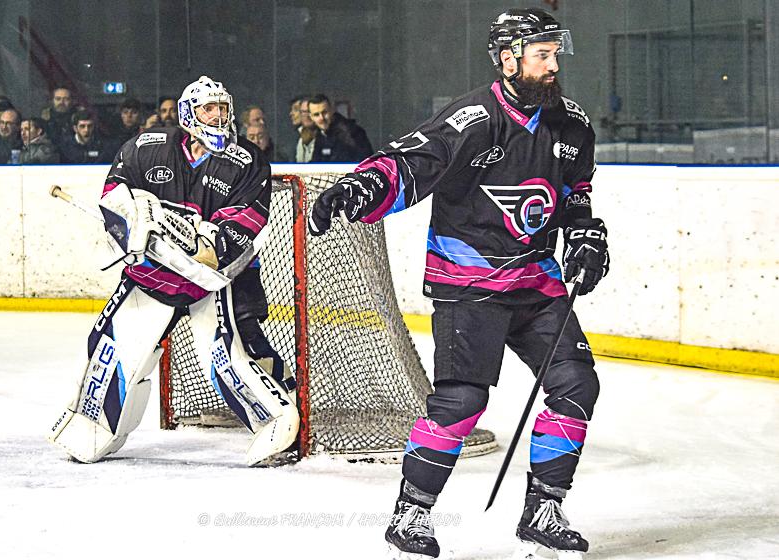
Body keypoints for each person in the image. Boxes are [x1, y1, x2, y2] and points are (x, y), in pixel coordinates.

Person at [308, 8, 609, 559]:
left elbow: (575, 193)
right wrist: (360, 188)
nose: (553, 65)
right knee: (462, 401)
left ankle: (544, 509)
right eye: (541, 55)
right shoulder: (473, 120)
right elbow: (407, 164)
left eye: (555, 54)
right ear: (508, 60)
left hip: (536, 281)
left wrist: (585, 234)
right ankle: (411, 515)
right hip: (469, 282)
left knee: (576, 384)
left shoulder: (571, 123)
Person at [48, 76, 297, 468]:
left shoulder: (247, 161)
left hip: (213, 284)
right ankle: (94, 427)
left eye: (222, 108)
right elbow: (114, 196)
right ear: (188, 114)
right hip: (150, 277)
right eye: (208, 109)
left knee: (228, 359)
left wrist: (201, 244)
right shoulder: (148, 148)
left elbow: (241, 227)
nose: (218, 116)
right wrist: (134, 225)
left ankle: (279, 420)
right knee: (108, 350)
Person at [308, 94, 373, 162]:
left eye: (324, 112)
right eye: (316, 115)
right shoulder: (321, 134)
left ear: (332, 110)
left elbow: (366, 162)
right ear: (311, 117)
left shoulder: (352, 133)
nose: (321, 118)